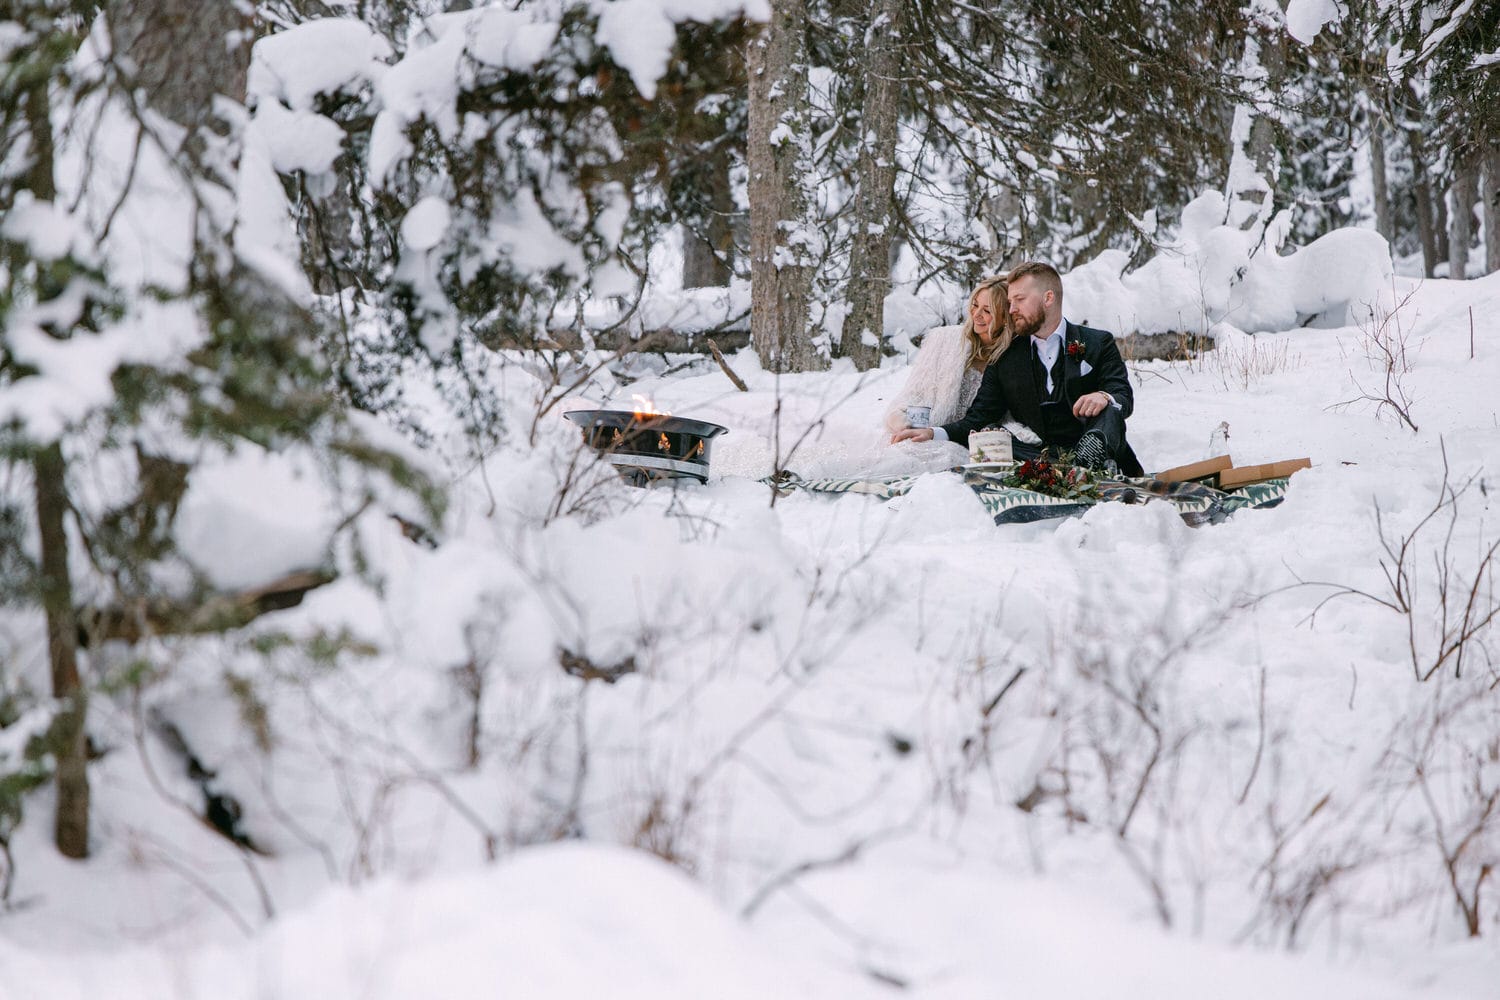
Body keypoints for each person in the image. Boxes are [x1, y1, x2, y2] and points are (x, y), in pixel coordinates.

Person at [892, 261, 1142, 475]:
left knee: (1111, 410)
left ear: (1048, 298)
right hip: (1040, 454)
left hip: (1095, 437)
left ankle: (1092, 459)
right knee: (990, 435)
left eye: (1019, 300)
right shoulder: (1005, 357)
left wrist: (1103, 396)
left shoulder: (1098, 342)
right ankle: (1067, 469)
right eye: (1010, 302)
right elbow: (979, 418)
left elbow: (1123, 396)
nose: (1011, 310)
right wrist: (934, 433)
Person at [883, 275, 1012, 436]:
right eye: (975, 305)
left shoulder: (1012, 357)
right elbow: (914, 394)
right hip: (930, 430)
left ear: (1005, 317)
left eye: (987, 310)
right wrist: (903, 422)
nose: (976, 314)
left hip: (976, 438)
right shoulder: (944, 340)